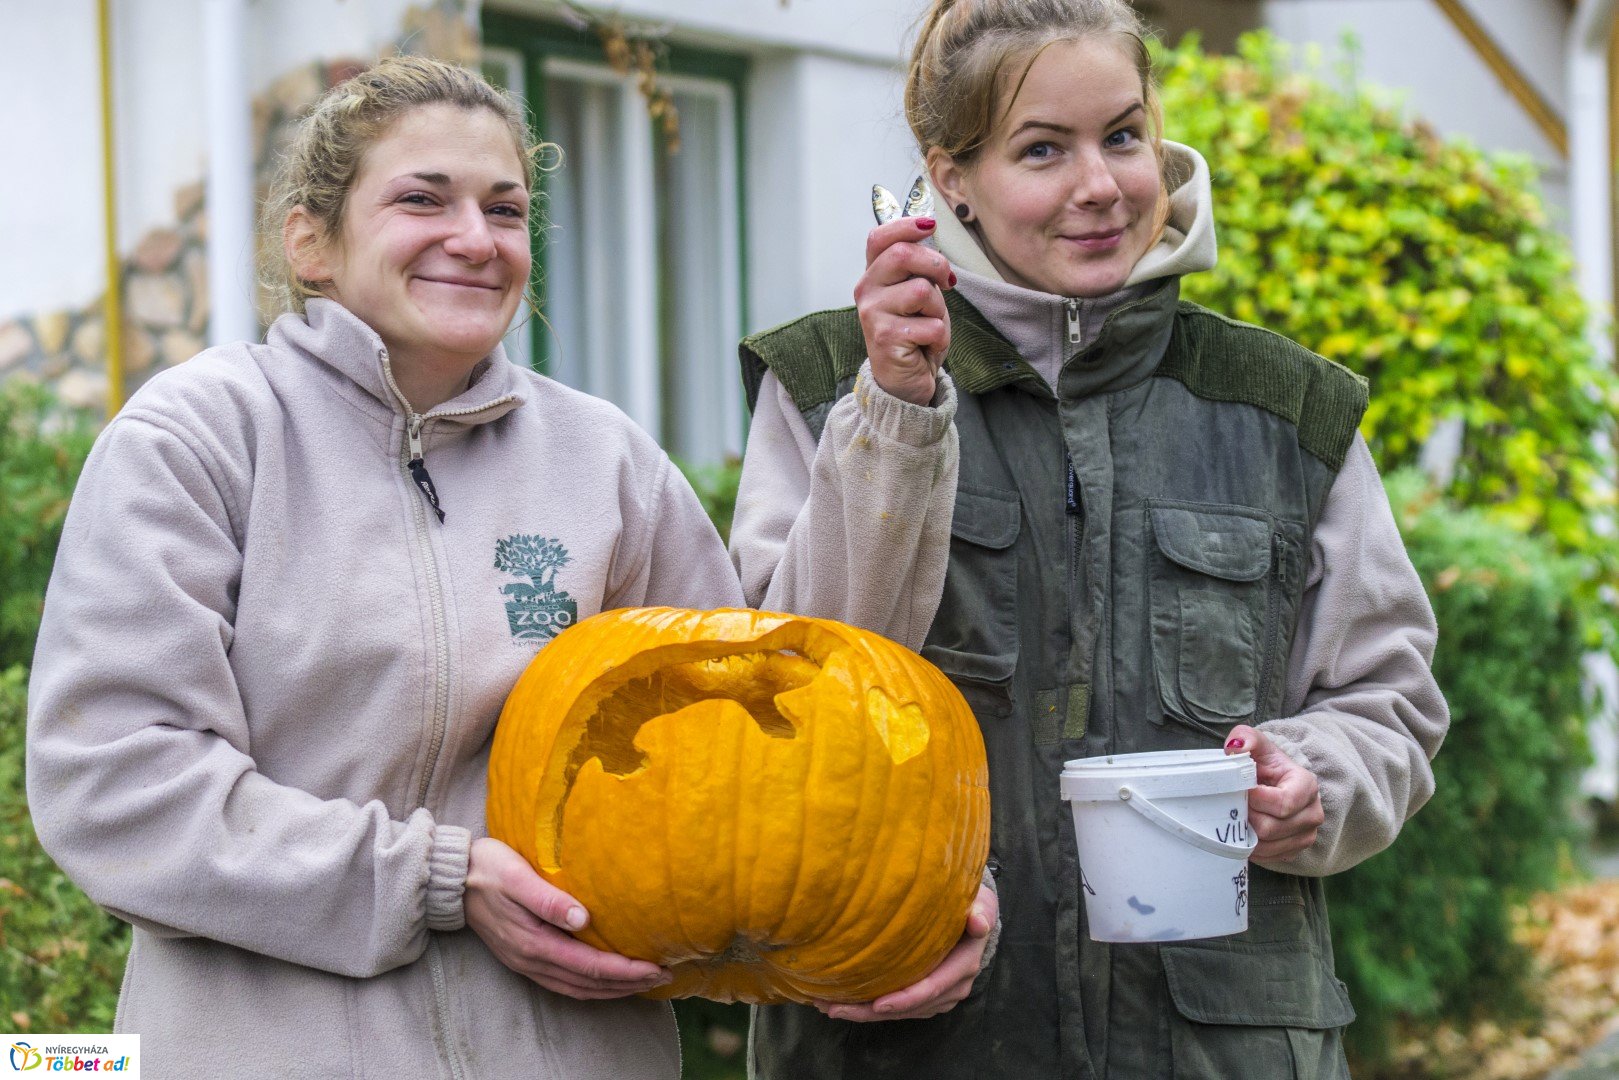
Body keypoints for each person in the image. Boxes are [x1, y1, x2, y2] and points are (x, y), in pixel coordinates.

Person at [729, 1, 1449, 1076]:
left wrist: (1313, 782)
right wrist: (892, 410)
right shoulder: (831, 383)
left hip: (1219, 1045)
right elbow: (787, 696)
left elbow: (1388, 703)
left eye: (1121, 134)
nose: (1100, 186)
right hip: (911, 1039)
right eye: (1039, 150)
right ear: (951, 176)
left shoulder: (1281, 407)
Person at [27, 56, 742, 1079]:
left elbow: (736, 753)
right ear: (310, 241)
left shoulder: (609, 463)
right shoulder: (198, 440)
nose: (474, 238)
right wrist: (437, 878)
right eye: (422, 199)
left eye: (504, 210)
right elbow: (116, 785)